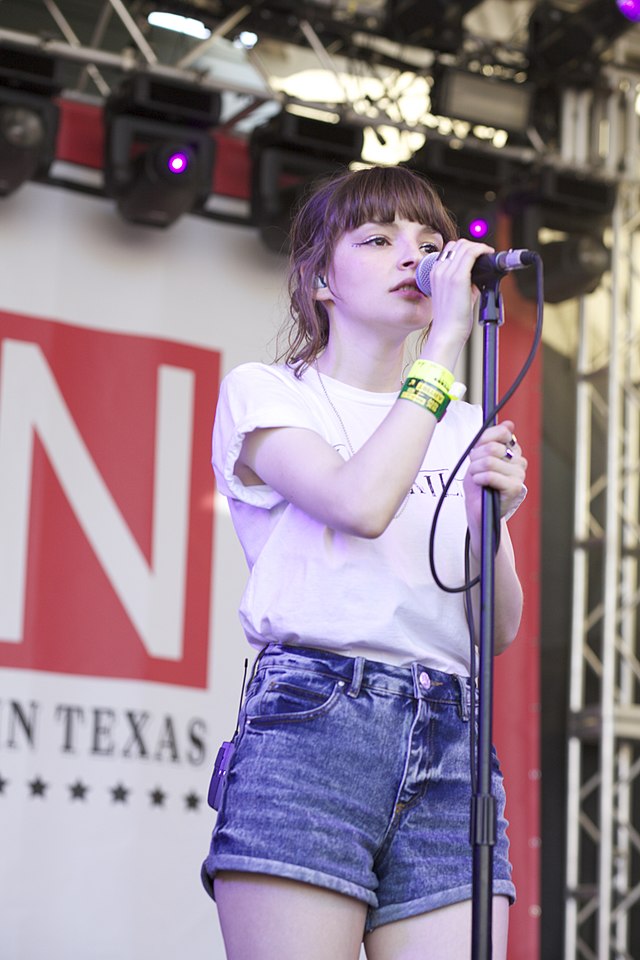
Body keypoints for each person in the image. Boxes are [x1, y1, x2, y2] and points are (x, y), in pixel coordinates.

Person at [201, 164, 527, 960]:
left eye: (427, 241)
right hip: (317, 721)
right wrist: (445, 341)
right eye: (378, 239)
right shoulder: (271, 393)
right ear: (319, 280)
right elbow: (359, 502)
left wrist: (496, 521)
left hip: (452, 726)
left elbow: (498, 627)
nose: (410, 258)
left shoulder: (461, 419)